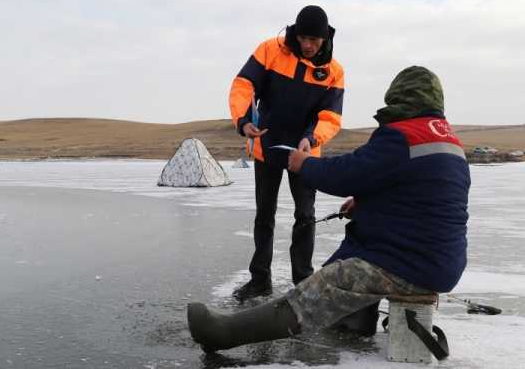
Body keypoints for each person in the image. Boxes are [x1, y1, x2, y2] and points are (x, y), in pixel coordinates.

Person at [188, 66, 470, 353]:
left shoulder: (403, 135)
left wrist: (305, 164)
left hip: (409, 261)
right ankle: (355, 326)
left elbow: (348, 174)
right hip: (440, 260)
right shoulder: (449, 141)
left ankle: (223, 333)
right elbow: (421, 192)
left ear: (401, 95)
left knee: (328, 283)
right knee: (348, 263)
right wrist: (363, 202)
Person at [229, 5, 345, 300]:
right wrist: (243, 122)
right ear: (295, 33)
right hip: (266, 147)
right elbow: (243, 85)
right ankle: (259, 280)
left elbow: (330, 116)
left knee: (305, 215)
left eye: (314, 41)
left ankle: (303, 281)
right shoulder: (270, 50)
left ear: (325, 39)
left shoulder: (333, 72)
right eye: (304, 38)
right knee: (264, 215)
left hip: (305, 152)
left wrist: (312, 139)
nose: (308, 45)